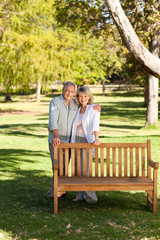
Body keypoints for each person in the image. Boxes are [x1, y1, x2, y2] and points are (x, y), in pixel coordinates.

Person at [47, 82, 100, 199]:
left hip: (70, 141)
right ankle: (54, 192)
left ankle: (61, 192)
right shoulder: (55, 102)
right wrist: (55, 135)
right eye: (67, 91)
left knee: (65, 167)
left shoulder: (75, 104)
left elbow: (88, 109)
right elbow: (52, 121)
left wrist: (97, 107)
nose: (69, 94)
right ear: (63, 90)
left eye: (72, 92)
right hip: (57, 139)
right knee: (58, 167)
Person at [71, 86, 100, 203]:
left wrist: (96, 138)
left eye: (85, 96)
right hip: (76, 141)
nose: (83, 98)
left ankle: (91, 197)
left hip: (87, 141)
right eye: (80, 96)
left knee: (85, 171)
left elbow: (95, 124)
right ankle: (80, 195)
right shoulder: (77, 109)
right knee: (77, 169)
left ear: (89, 97)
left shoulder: (93, 108)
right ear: (77, 97)